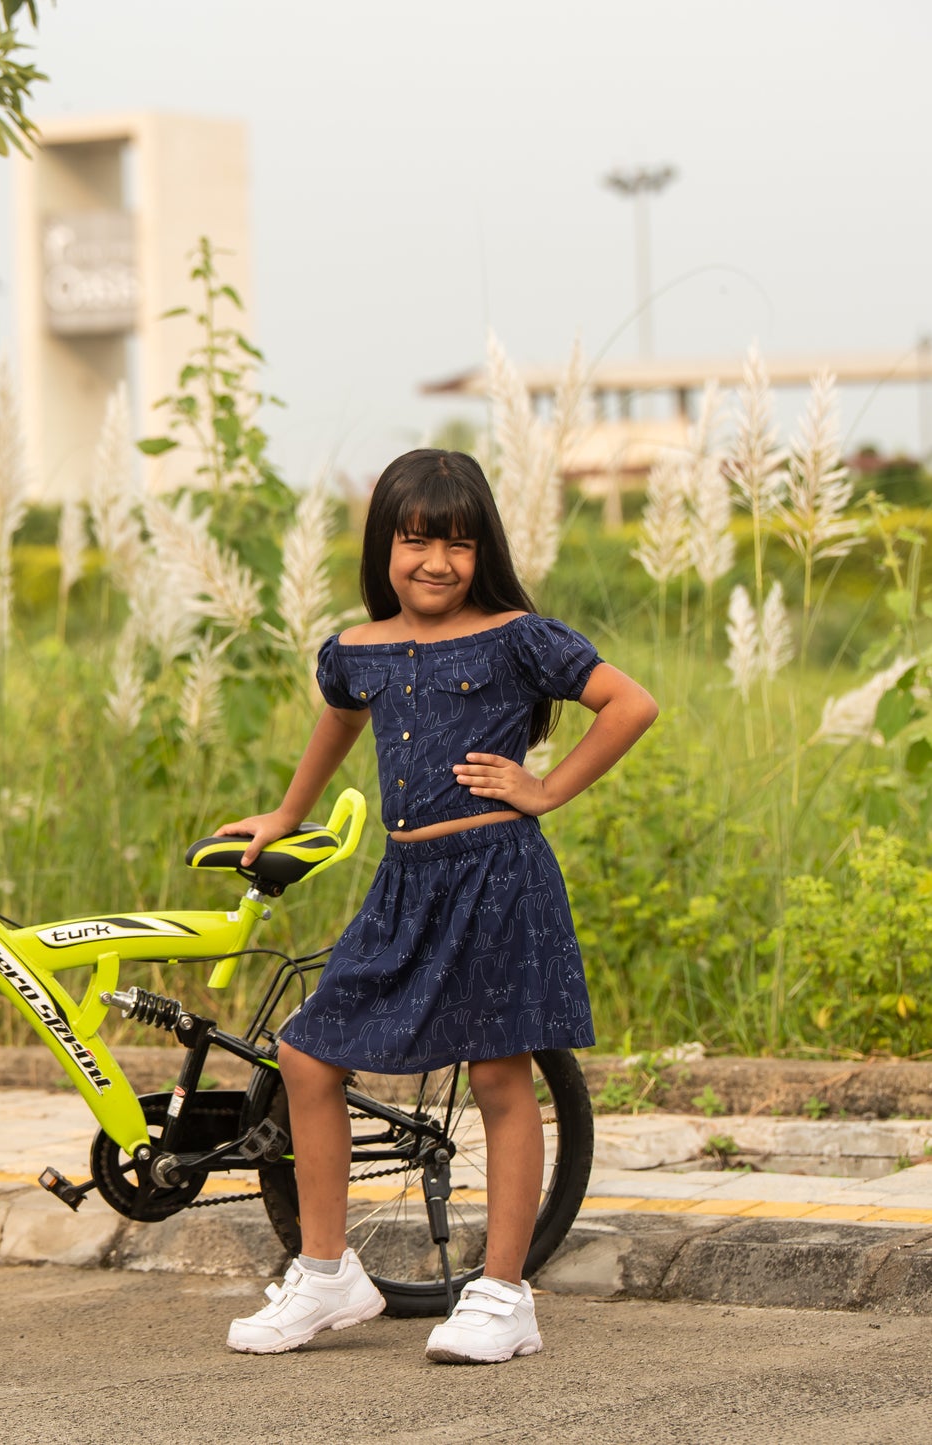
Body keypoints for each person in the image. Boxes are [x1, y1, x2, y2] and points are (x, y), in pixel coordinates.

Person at [217, 449, 658, 1363]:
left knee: (499, 1079)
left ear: (481, 549)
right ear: (385, 544)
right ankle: (329, 1271)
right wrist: (288, 812)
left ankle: (502, 1294)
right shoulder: (356, 648)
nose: (436, 563)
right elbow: (340, 718)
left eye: (458, 544)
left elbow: (629, 703)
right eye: (417, 540)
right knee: (305, 1054)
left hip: (496, 876)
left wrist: (545, 789)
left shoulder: (517, 636)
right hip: (406, 880)